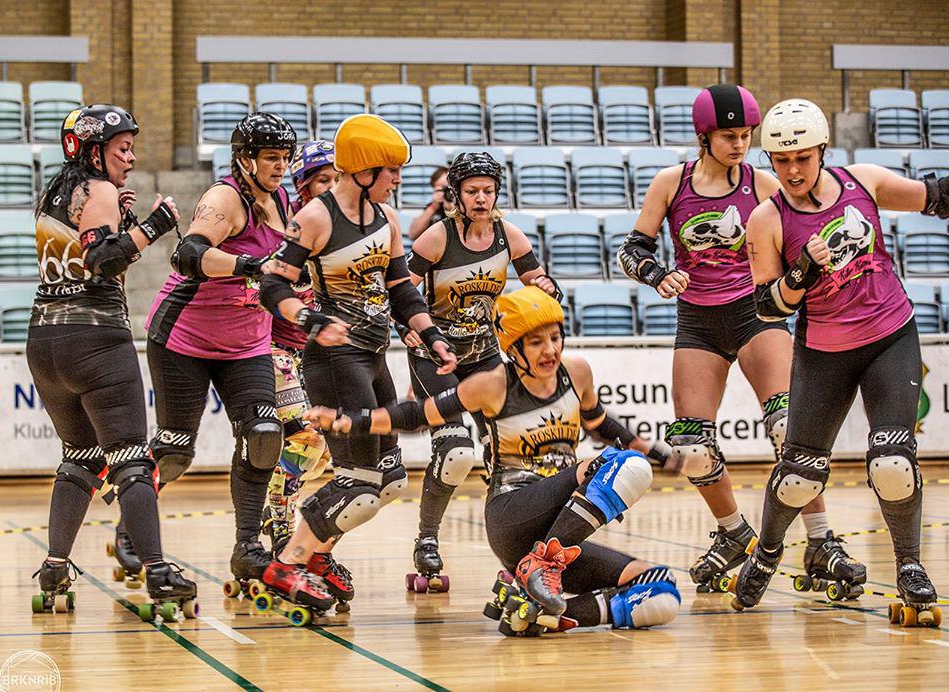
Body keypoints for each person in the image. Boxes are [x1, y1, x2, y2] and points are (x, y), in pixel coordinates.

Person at [308, 286, 680, 635]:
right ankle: (538, 568)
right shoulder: (493, 384)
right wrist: (351, 420)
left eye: (554, 337)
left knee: (662, 593)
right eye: (535, 342)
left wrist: (658, 452)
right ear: (513, 348)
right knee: (620, 466)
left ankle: (535, 611)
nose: (549, 350)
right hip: (513, 514)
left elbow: (599, 422)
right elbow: (420, 414)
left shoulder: (577, 372)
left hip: (557, 533)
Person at [617, 84, 861, 594]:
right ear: (703, 136)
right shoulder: (671, 183)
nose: (739, 144)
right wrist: (657, 273)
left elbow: (801, 239)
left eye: (746, 135)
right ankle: (732, 533)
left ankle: (821, 540)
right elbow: (632, 248)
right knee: (690, 443)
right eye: (729, 136)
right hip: (698, 322)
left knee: (787, 428)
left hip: (756, 315)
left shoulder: (764, 184)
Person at [732, 99, 948, 626]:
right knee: (799, 477)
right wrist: (800, 273)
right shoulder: (767, 219)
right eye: (781, 162)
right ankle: (768, 551)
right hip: (825, 351)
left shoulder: (864, 182)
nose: (793, 171)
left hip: (889, 336)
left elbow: (936, 198)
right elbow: (768, 307)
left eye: (803, 158)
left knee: (893, 463)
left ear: (822, 151)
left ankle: (910, 565)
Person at [140, 112, 345, 612]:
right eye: (270, 158)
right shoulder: (224, 198)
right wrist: (252, 264)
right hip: (185, 335)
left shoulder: (279, 201)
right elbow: (187, 255)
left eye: (284, 158)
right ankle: (133, 523)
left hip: (248, 341)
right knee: (175, 452)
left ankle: (248, 546)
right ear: (244, 159)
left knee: (264, 436)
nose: (280, 166)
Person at [257, 113, 457, 610]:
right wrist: (309, 321)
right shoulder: (317, 218)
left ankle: (315, 552)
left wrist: (430, 335)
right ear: (364, 169)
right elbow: (272, 285)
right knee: (362, 483)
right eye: (390, 171)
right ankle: (290, 560)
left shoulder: (387, 220)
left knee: (389, 478)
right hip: (332, 360)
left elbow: (400, 289)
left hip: (372, 355)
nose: (397, 180)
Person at [28, 104, 195, 615]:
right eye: (122, 148)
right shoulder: (97, 191)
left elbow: (84, 248)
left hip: (45, 343)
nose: (132, 156)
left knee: (79, 456)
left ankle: (55, 567)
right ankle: (159, 572)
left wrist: (120, 218)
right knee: (130, 458)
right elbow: (102, 263)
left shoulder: (53, 193)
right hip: (95, 338)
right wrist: (155, 224)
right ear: (94, 151)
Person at [400, 151, 561, 590]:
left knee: (509, 453)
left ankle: (517, 544)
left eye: (488, 191)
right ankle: (427, 540)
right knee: (455, 452)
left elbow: (538, 281)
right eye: (472, 191)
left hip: (486, 354)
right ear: (456, 195)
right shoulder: (437, 238)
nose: (481, 198)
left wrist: (548, 289)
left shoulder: (508, 235)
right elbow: (400, 291)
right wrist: (410, 328)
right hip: (438, 357)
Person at [260, 139, 354, 611]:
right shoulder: (296, 229)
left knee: (332, 454)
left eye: (338, 180)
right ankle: (279, 525)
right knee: (306, 438)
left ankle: (280, 521)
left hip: (313, 354)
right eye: (324, 182)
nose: (334, 190)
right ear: (304, 188)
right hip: (272, 347)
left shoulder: (345, 228)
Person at [408, 166, 455, 240]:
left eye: (447, 187)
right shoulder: (433, 207)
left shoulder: (463, 205)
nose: (446, 192)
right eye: (441, 189)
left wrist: (452, 209)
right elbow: (413, 235)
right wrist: (433, 207)